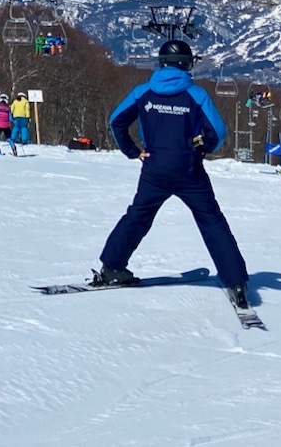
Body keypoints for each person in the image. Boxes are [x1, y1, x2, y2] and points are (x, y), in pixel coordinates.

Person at [98, 39, 250, 306]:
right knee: (211, 220)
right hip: (189, 170)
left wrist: (132, 151)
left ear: (161, 63)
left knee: (138, 216)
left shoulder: (143, 92)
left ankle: (112, 267)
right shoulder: (196, 94)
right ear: (187, 64)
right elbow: (218, 132)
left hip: (154, 168)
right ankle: (235, 281)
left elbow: (116, 121)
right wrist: (200, 148)